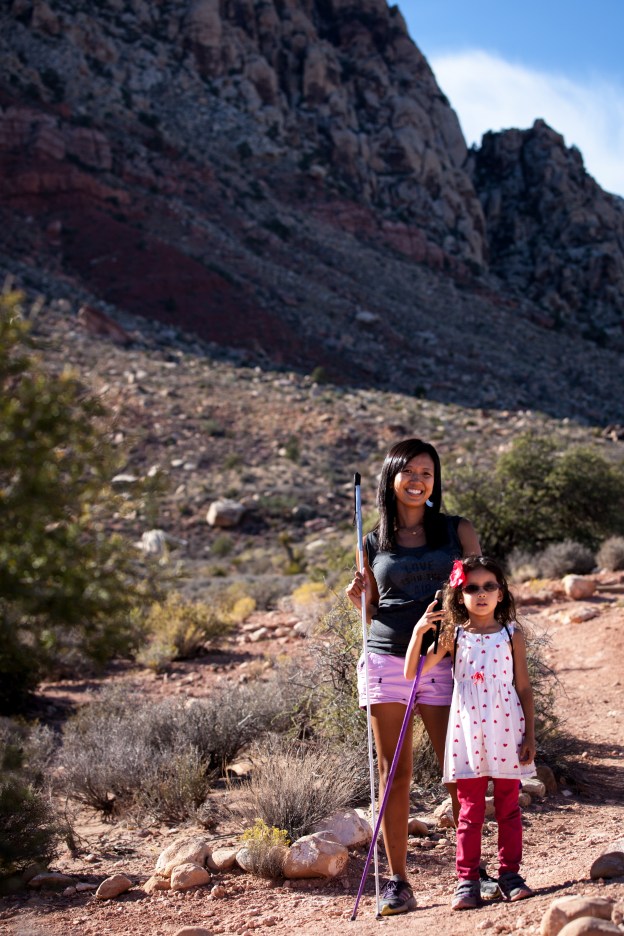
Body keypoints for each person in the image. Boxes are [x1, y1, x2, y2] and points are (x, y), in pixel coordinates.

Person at [345, 438, 480, 915]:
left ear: (435, 480)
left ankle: (471, 871)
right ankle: (398, 882)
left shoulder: (456, 531)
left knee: (455, 767)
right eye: (409, 472)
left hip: (445, 660)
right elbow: (371, 613)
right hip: (387, 660)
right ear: (392, 479)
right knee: (394, 772)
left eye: (427, 472)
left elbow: (481, 591)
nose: (419, 480)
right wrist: (357, 597)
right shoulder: (372, 541)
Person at [406, 555, 536, 911]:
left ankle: (510, 875)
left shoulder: (513, 634)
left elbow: (523, 687)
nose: (481, 594)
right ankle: (467, 880)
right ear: (459, 594)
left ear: (501, 592)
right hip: (468, 731)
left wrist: (531, 735)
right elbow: (411, 672)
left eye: (489, 586)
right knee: (469, 809)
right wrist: (420, 633)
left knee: (509, 806)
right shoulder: (455, 635)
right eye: (472, 587)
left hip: (508, 728)